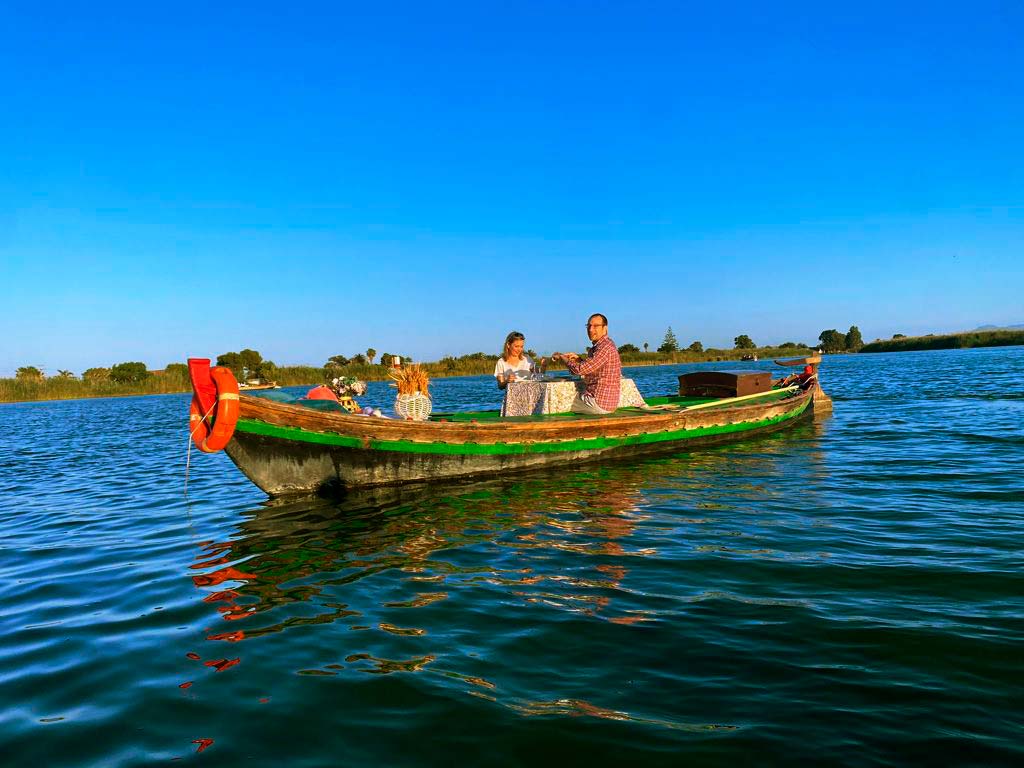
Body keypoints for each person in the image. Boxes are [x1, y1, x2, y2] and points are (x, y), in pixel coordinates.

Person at [551, 313, 621, 415]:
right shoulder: (605, 345)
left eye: (595, 326)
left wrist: (562, 357)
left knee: (560, 401)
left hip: (598, 403)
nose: (591, 329)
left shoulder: (604, 348)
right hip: (608, 403)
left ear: (605, 328)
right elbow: (594, 368)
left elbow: (579, 370)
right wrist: (579, 360)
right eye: (588, 326)